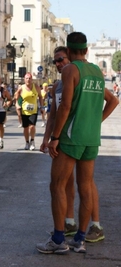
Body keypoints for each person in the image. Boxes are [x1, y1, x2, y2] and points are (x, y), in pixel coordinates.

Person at [36, 32, 119, 254]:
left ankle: (58, 239)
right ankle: (80, 239)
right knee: (85, 186)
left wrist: (54, 138)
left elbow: (65, 107)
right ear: (86, 49)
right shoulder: (97, 72)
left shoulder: (71, 70)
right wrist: (95, 122)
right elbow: (113, 101)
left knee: (57, 185)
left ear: (70, 50)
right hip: (91, 138)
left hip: (71, 136)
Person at [14, 73, 44, 150]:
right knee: (26, 128)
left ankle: (32, 141)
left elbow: (40, 97)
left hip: (33, 110)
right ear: (24, 79)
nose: (28, 80)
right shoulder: (21, 88)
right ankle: (27, 142)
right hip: (24, 111)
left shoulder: (36, 87)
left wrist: (42, 106)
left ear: (32, 79)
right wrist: (17, 104)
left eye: (29, 78)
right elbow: (16, 97)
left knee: (32, 126)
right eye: (26, 78)